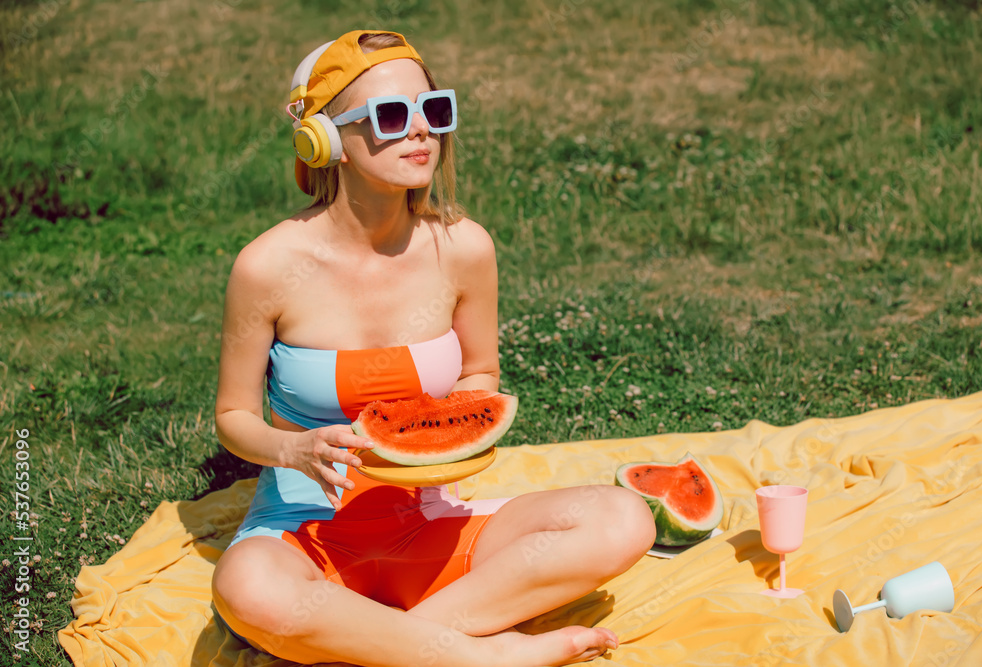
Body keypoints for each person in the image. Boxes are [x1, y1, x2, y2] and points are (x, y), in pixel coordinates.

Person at [211, 29, 656, 667]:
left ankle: (404, 646)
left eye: (434, 110)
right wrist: (294, 447)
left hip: (432, 525)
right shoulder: (267, 266)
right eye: (392, 116)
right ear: (328, 139)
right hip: (304, 530)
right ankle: (489, 655)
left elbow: (480, 375)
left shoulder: (464, 248)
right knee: (245, 587)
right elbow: (232, 418)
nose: (421, 131)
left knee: (623, 520)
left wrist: (447, 431)